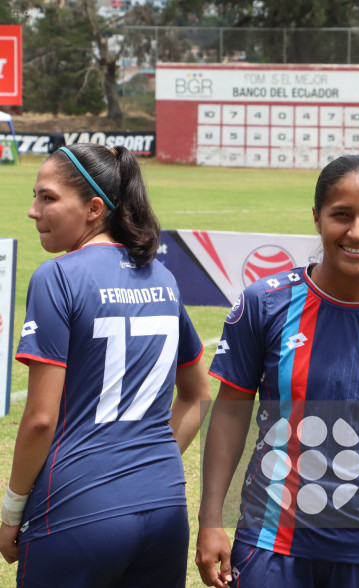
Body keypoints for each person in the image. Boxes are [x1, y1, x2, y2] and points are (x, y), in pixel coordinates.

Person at [196, 154, 359, 588]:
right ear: (317, 217)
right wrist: (210, 520)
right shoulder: (264, 304)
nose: (357, 232)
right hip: (271, 543)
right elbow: (229, 413)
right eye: (342, 215)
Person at [0, 144, 211, 587]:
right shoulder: (162, 277)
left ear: (94, 208)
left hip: (78, 513)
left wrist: (10, 512)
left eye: (47, 198)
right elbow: (197, 394)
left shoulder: (57, 277)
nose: (33, 211)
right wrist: (146, 468)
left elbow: (40, 419)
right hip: (166, 511)